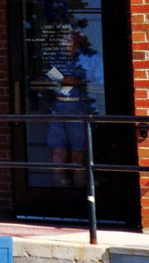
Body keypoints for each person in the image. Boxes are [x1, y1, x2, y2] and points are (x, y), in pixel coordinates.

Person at [46, 29, 98, 188]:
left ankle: (82, 188)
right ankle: (57, 188)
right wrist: (61, 81)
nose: (65, 38)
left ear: (77, 37)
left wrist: (75, 81)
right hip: (58, 107)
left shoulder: (89, 57)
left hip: (78, 107)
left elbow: (97, 82)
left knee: (78, 151)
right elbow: (45, 78)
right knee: (57, 149)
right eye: (62, 35)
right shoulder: (54, 57)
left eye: (69, 34)